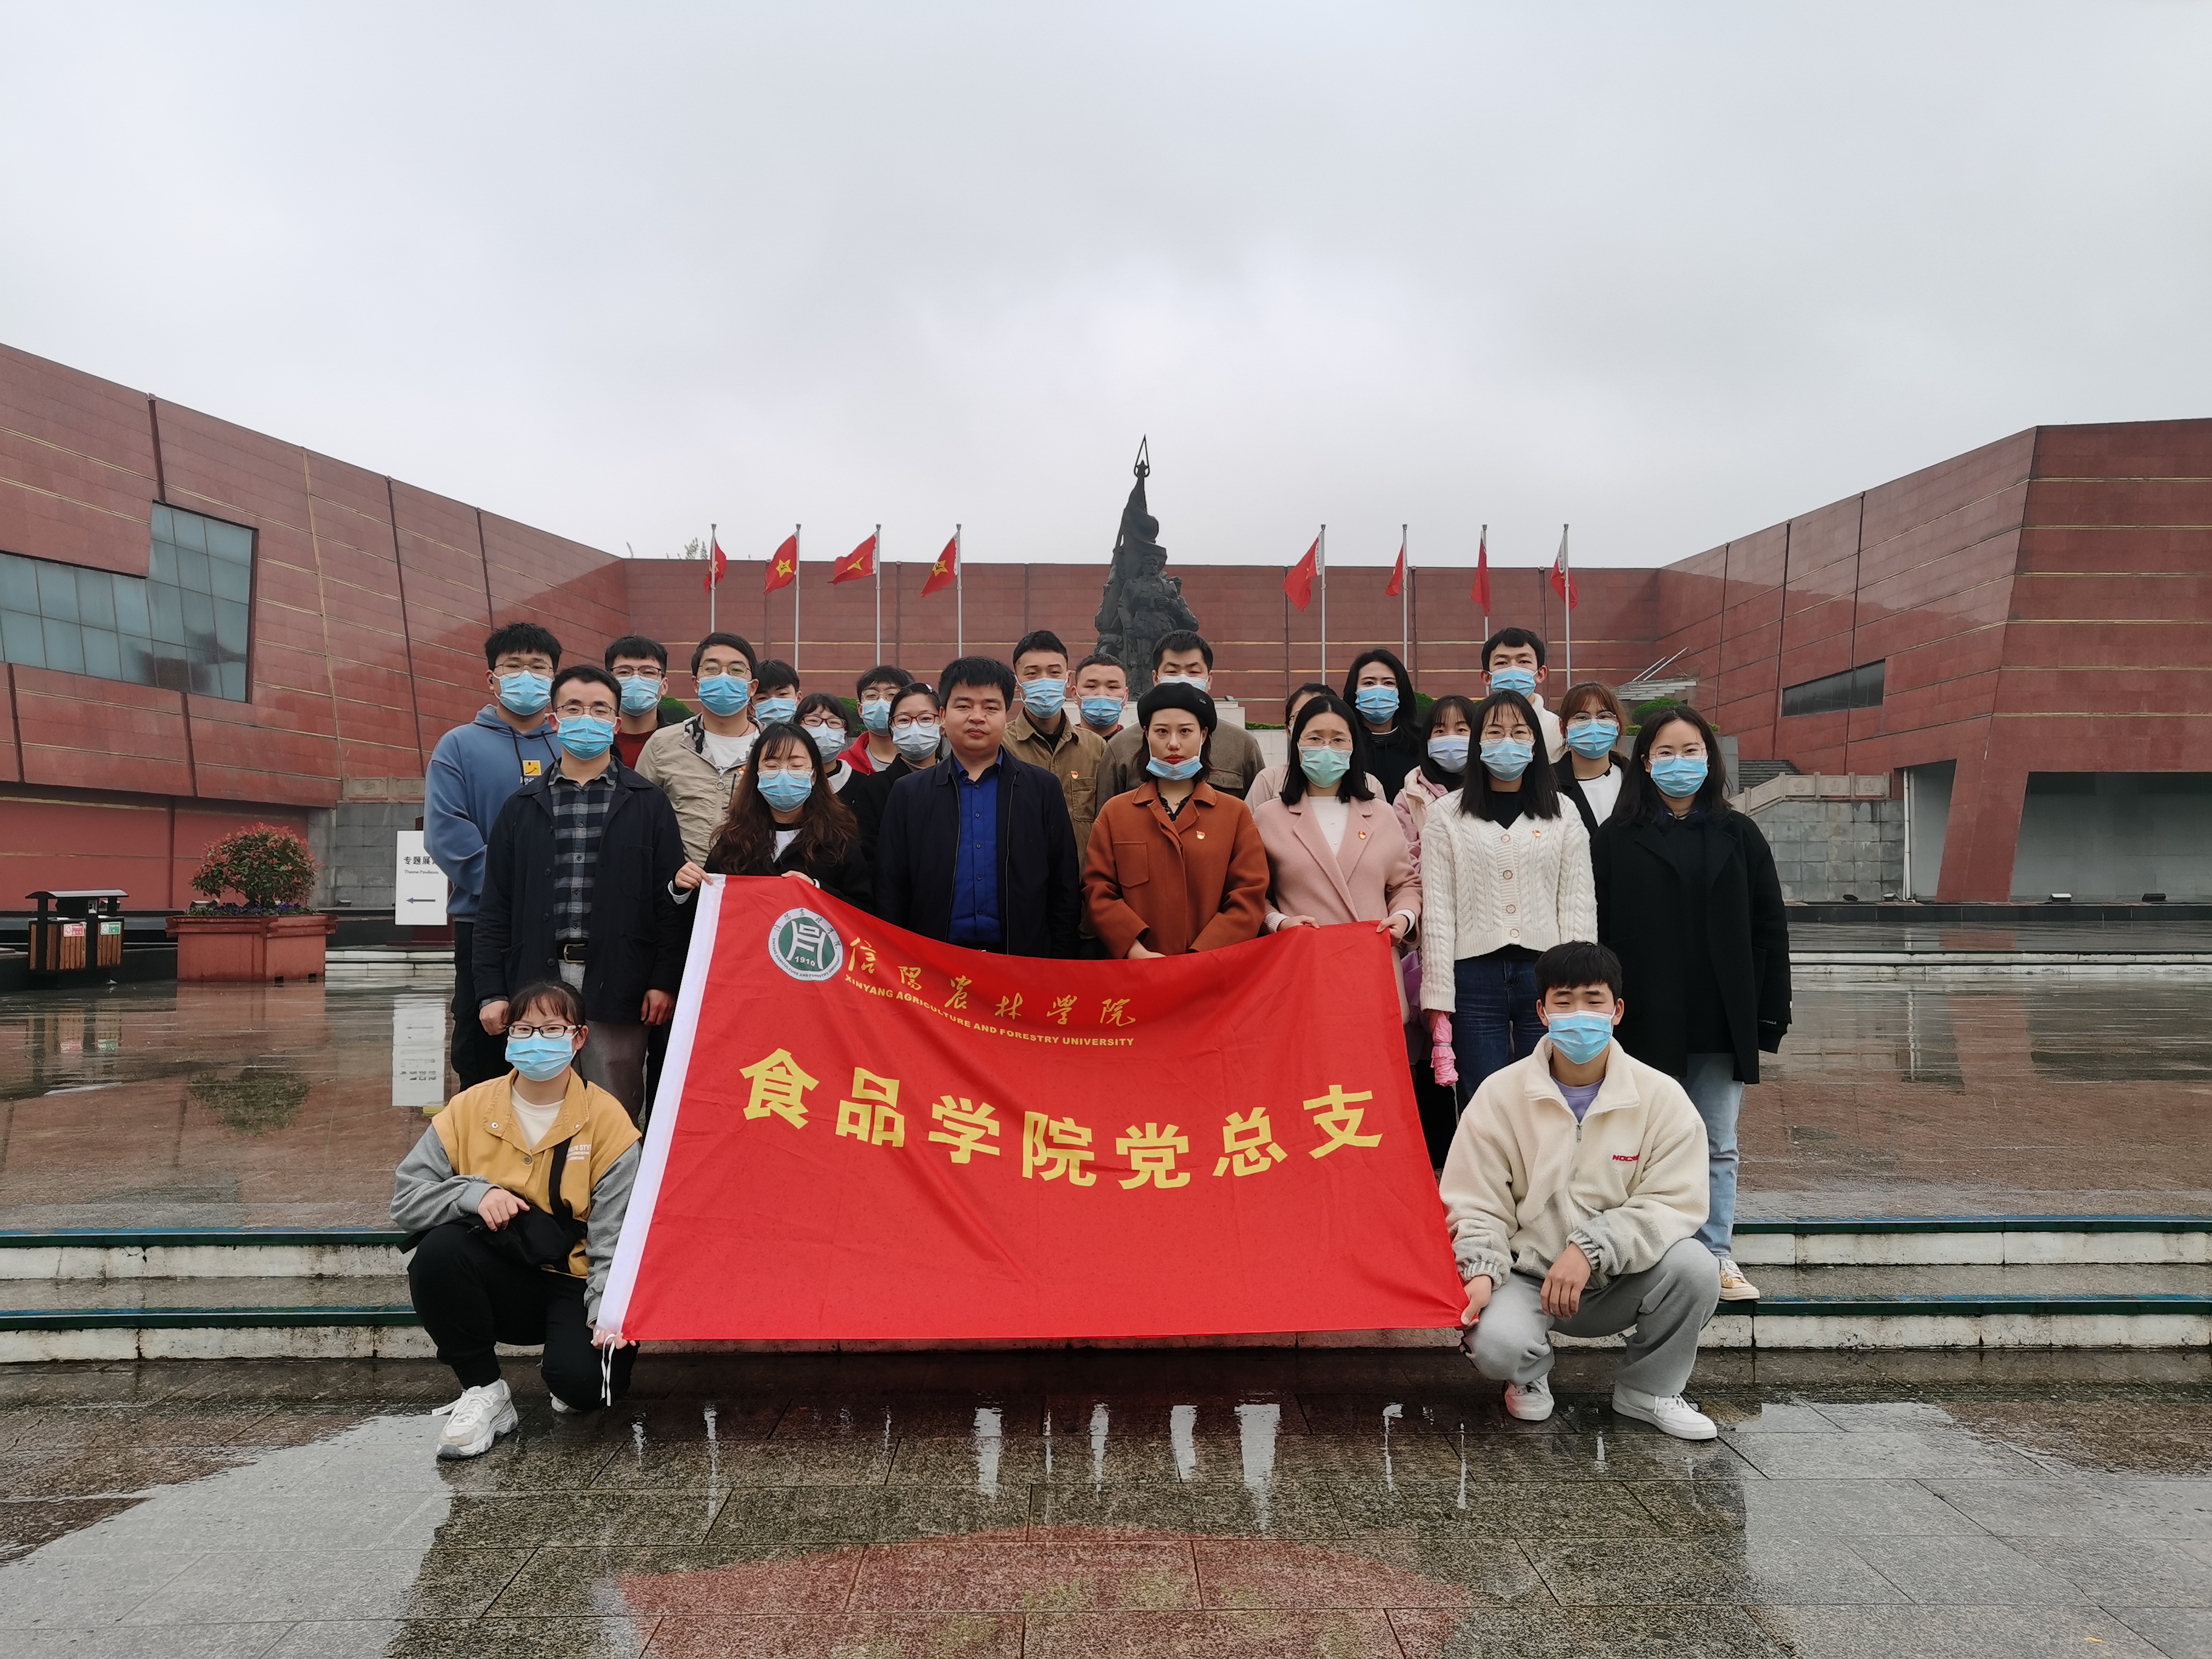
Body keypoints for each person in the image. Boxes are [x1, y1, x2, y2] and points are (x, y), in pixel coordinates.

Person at [1447, 940, 1721, 1441]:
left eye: (1593, 1001)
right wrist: (1480, 1269)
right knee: (1495, 1346)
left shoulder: (1661, 1097)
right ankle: (1528, 1375)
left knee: (1697, 1268)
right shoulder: (1500, 1095)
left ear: (1617, 1010)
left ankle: (1649, 1390)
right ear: (1542, 1011)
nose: (1579, 1014)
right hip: (1527, 1278)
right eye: (1564, 1000)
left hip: (1621, 1276)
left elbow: (1674, 1201)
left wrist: (1590, 1249)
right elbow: (1475, 1199)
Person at [393, 978, 642, 1456]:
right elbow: (407, 1200)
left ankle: (569, 1368)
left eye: (552, 1029)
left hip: (576, 1280)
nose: (536, 1041)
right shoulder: (469, 1108)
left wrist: (607, 1313)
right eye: (524, 1030)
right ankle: (483, 1391)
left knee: (584, 1388)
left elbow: (615, 1234)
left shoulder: (608, 1120)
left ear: (580, 1037)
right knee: (438, 1253)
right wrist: (474, 1194)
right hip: (500, 1277)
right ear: (507, 1036)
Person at [1591, 703, 1788, 1305]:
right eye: (1667, 753)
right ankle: (1638, 1251)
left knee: (1716, 1141)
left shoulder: (1740, 834)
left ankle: (1715, 1253)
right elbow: (1595, 931)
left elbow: (1769, 926)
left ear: (1710, 759)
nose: (1680, 763)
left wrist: (1770, 1012)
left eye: (1692, 751)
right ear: (1646, 762)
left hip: (1720, 1014)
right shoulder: (1614, 839)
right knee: (1636, 1141)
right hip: (1644, 1014)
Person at [474, 665, 688, 1122]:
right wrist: (491, 991)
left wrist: (663, 981)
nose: (586, 718)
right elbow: (495, 906)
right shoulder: (521, 807)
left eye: (599, 710)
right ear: (554, 719)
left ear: (616, 722)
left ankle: (616, 1174)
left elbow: (667, 903)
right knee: (540, 1105)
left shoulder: (649, 803)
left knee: (616, 1109)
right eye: (573, 708)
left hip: (622, 981)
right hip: (537, 978)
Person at [1420, 689, 1597, 1102]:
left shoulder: (1563, 811)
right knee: (1484, 1097)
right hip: (1473, 978)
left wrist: (1580, 984)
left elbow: (1577, 904)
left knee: (1550, 1091)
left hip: (1547, 974)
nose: (1507, 741)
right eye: (1495, 732)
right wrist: (1439, 998)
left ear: (1535, 742)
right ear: (1478, 742)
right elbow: (1439, 912)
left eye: (1519, 732)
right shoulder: (1446, 814)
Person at [426, 622, 566, 1089]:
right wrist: (510, 892)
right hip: (483, 923)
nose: (526, 676)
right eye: (514, 666)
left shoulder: (571, 745)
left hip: (562, 924)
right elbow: (447, 831)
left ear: (554, 678)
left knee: (558, 1037)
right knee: (483, 1042)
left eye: (538, 667)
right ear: (492, 678)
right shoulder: (458, 746)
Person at [874, 658, 1082, 957]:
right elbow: (890, 888)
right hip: (932, 962)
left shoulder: (1042, 789)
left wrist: (1057, 960)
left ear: (1006, 716)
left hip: (1023, 961)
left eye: (991, 707)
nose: (977, 717)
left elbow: (1064, 886)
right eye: (964, 706)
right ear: (943, 716)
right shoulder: (908, 793)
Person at [1250, 688, 1419, 997]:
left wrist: (1404, 917)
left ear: (1354, 746)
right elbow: (1251, 892)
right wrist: (1279, 922)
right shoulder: (1268, 817)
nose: (1327, 748)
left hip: (1371, 970)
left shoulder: (1380, 814)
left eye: (1339, 739)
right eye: (1315, 738)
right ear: (1297, 744)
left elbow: (1405, 885)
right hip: (1301, 970)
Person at [1084, 681, 1269, 957]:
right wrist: (1134, 950)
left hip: (1212, 969)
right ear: (1146, 734)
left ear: (1203, 735)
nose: (1173, 743)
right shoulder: (1116, 813)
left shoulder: (1234, 814)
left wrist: (1203, 955)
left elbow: (1248, 895)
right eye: (1161, 731)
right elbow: (1098, 890)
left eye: (1185, 731)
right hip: (1137, 969)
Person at [694, 722, 872, 905]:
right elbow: (709, 904)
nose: (784, 774)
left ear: (814, 775)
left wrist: (816, 890)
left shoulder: (837, 840)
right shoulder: (735, 838)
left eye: (796, 765)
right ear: (757, 773)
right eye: (772, 766)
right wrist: (684, 890)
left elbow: (862, 909)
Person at [636, 632, 759, 864]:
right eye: (711, 669)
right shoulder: (663, 744)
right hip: (681, 881)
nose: (724, 677)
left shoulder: (773, 748)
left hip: (753, 881)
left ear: (752, 687)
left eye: (736, 670)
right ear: (696, 683)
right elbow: (639, 817)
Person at [1097, 631, 1265, 800]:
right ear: (1156, 678)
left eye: (1194, 672)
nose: (1183, 680)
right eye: (1172, 671)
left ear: (1209, 679)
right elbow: (1106, 811)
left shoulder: (1242, 744)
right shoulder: (1121, 746)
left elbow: (1258, 809)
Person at [1005, 629, 1108, 855]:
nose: (1044, 681)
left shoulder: (1096, 748)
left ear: (1068, 679)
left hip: (1083, 875)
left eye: (1054, 673)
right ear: (1017, 682)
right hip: (1020, 874)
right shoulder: (1001, 747)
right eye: (1032, 674)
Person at [848, 682, 944, 864]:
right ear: (892, 729)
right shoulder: (873, 789)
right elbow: (869, 856)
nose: (915, 726)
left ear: (943, 723)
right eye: (904, 720)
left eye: (925, 719)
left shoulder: (959, 782)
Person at [1395, 693, 1479, 860]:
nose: (1450, 737)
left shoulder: (1494, 788)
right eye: (1440, 731)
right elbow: (1405, 856)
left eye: (1461, 730)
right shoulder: (1410, 797)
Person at [1344, 648, 1423, 798]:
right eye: (1369, 683)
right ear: (1354, 691)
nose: (1378, 690)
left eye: (1388, 683)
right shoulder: (1344, 745)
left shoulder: (1421, 745)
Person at [1244, 682, 1335, 809]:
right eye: (1301, 716)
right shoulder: (1269, 781)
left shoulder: (1364, 783)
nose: (1312, 724)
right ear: (1288, 729)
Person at [1555, 681, 1631, 835]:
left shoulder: (1638, 780)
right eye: (1582, 717)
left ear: (1618, 726)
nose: (1594, 724)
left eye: (1604, 716)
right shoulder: (1546, 785)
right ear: (1564, 729)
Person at [1481, 627, 1566, 762]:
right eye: (1502, 662)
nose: (1513, 668)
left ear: (1540, 674)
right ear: (1487, 677)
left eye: (1524, 661)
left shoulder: (1557, 729)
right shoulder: (1475, 727)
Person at [605, 634, 683, 769]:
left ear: (664, 686)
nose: (636, 679)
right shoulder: (594, 741)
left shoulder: (682, 743)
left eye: (648, 673)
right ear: (608, 683)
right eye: (624, 672)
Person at [838, 664, 916, 776]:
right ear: (861, 710)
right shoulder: (842, 765)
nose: (881, 703)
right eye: (871, 695)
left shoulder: (923, 762)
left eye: (892, 695)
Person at [795, 692, 862, 797]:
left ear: (845, 733)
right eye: (813, 721)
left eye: (834, 722)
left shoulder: (862, 785)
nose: (824, 730)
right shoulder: (787, 783)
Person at [1071, 652, 1130, 739]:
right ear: (1075, 694)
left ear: (1126, 696)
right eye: (1091, 686)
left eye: (1113, 687)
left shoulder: (1139, 745)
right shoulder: (1059, 745)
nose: (1101, 694)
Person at [752, 660, 801, 728]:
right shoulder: (745, 734)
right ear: (751, 708)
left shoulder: (811, 732)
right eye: (762, 698)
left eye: (782, 694)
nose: (774, 705)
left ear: (798, 698)